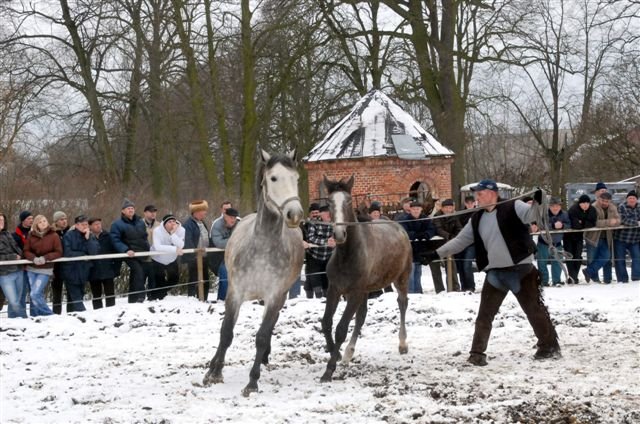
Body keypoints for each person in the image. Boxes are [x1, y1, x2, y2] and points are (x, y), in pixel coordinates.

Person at [422, 179, 560, 366]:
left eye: (480, 194)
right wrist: (436, 254)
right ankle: (477, 354)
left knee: (534, 311)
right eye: (476, 194)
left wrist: (539, 200)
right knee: (484, 315)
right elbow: (460, 241)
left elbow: (532, 215)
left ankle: (549, 346)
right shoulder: (476, 218)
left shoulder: (513, 206)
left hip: (521, 270)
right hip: (496, 274)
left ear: (492, 193)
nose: (477, 198)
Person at [110, 199, 152, 303]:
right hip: (128, 253)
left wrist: (147, 248)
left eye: (132, 208)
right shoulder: (117, 224)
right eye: (128, 208)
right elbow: (115, 240)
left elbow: (144, 237)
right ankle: (141, 296)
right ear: (123, 211)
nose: (131, 210)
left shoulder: (140, 222)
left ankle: (132, 300)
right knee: (138, 271)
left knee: (135, 275)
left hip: (141, 252)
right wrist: (126, 249)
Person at [23, 215, 63, 316]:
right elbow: (26, 251)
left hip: (45, 269)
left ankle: (49, 315)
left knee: (34, 294)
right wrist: (33, 258)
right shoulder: (31, 235)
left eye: (44, 221)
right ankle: (37, 316)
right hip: (32, 268)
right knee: (37, 294)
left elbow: (58, 252)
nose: (43, 223)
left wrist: (45, 258)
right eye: (40, 222)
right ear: (36, 225)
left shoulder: (54, 235)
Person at [62, 215, 99, 312]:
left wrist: (88, 239)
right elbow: (67, 253)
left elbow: (94, 252)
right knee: (76, 297)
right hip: (71, 270)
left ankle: (72, 315)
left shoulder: (90, 236)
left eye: (86, 224)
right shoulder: (69, 236)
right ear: (76, 225)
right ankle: (83, 314)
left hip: (84, 270)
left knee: (79, 295)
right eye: (82, 224)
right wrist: (83, 255)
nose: (85, 226)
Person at [582, 192, 620, 284]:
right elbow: (594, 222)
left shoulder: (613, 208)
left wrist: (615, 222)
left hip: (606, 237)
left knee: (606, 256)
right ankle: (595, 280)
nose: (604, 203)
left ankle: (589, 272)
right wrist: (609, 222)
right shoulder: (593, 207)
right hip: (593, 237)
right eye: (603, 200)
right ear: (599, 199)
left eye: (607, 201)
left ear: (610, 201)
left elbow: (618, 220)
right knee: (592, 258)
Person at [401, 201, 437, 294]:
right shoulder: (405, 220)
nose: (416, 211)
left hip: (421, 249)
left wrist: (426, 235)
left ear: (421, 209)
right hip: (409, 249)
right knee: (410, 272)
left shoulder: (425, 219)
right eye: (414, 209)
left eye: (418, 209)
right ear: (410, 210)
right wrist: (416, 235)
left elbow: (432, 229)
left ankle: (418, 292)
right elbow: (404, 232)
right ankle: (411, 293)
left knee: (418, 272)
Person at [536, 197, 571, 287]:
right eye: (553, 206)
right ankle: (544, 281)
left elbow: (569, 224)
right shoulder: (543, 214)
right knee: (542, 263)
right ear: (549, 206)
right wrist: (553, 225)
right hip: (543, 243)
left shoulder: (565, 214)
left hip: (557, 243)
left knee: (557, 263)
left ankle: (557, 280)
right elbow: (540, 225)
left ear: (560, 206)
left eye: (557, 206)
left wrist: (562, 225)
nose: (555, 208)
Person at [289, 203, 320, 299]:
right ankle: (294, 297)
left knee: (311, 276)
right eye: (313, 213)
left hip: (316, 253)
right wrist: (301, 242)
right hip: (297, 253)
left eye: (317, 212)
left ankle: (314, 297)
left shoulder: (323, 223)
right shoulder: (303, 224)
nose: (315, 215)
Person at [183, 200, 212, 300]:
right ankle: (192, 300)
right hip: (194, 258)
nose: (205, 212)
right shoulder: (188, 224)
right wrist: (194, 256)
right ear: (197, 212)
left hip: (204, 257)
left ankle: (203, 299)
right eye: (203, 210)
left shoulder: (202, 223)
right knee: (194, 280)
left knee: (205, 280)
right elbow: (188, 241)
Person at [564, 195, 597, 284]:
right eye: (583, 203)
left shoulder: (592, 210)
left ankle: (574, 276)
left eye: (587, 203)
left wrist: (582, 222)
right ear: (579, 203)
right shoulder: (573, 209)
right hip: (568, 237)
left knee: (578, 256)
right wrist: (584, 222)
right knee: (570, 256)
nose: (585, 205)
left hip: (579, 237)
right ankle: (572, 277)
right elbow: (575, 225)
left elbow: (593, 223)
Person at [151, 214, 185, 299]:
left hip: (172, 259)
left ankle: (159, 293)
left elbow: (181, 245)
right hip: (158, 259)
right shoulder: (157, 230)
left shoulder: (181, 230)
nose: (172, 224)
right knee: (159, 280)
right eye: (169, 222)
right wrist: (174, 249)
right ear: (164, 224)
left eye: (174, 221)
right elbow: (158, 247)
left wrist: (173, 234)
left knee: (174, 279)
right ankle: (156, 298)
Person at [0, 213, 27, 318]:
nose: (1, 222)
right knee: (14, 301)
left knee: (18, 299)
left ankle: (14, 320)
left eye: (2, 220)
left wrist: (21, 255)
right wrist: (12, 257)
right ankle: (24, 319)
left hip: (18, 270)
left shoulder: (7, 234)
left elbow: (16, 248)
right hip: (5, 273)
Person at [88, 218, 119, 309]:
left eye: (99, 224)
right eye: (95, 224)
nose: (98, 226)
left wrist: (115, 268)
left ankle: (112, 312)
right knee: (96, 295)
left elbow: (116, 251)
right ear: (90, 226)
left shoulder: (108, 236)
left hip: (108, 270)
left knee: (110, 294)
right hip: (93, 271)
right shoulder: (87, 237)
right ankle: (98, 313)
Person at [305, 205, 335, 298]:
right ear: (321, 214)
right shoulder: (314, 223)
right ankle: (317, 297)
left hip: (329, 255)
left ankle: (326, 297)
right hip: (315, 256)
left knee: (326, 277)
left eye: (330, 213)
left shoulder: (335, 222)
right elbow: (311, 238)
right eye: (327, 213)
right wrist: (326, 242)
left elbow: (341, 234)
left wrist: (335, 240)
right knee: (314, 278)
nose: (329, 215)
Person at [210, 207, 240, 301]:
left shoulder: (239, 224)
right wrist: (235, 240)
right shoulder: (217, 225)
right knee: (224, 274)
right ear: (225, 216)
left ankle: (233, 298)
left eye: (234, 218)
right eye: (231, 217)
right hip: (218, 256)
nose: (233, 220)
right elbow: (218, 243)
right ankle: (222, 299)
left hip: (234, 255)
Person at [434, 198, 463, 291]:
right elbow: (438, 229)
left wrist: (456, 236)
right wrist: (449, 236)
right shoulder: (437, 216)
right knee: (435, 268)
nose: (448, 210)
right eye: (446, 207)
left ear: (453, 208)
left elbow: (459, 228)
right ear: (442, 208)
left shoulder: (454, 216)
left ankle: (454, 287)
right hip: (436, 244)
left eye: (450, 208)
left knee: (451, 265)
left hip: (449, 243)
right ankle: (439, 290)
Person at [613, 190, 640, 283]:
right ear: (627, 199)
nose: (632, 200)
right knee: (620, 259)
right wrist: (637, 223)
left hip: (635, 239)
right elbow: (623, 220)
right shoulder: (621, 207)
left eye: (634, 198)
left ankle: (636, 277)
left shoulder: (639, 208)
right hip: (621, 238)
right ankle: (622, 279)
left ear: (636, 199)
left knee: (637, 258)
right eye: (630, 198)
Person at [50, 211, 72, 314]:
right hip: (56, 268)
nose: (64, 221)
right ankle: (56, 314)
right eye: (61, 219)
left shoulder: (71, 232)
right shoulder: (51, 233)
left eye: (65, 219)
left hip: (69, 267)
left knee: (71, 292)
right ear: (56, 221)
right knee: (56, 294)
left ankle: (71, 313)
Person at [455, 196, 477, 292]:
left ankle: (471, 286)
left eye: (471, 203)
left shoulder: (478, 213)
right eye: (468, 203)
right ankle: (464, 287)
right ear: (465, 203)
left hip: (473, 243)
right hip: (462, 242)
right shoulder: (460, 214)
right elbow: (458, 227)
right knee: (460, 265)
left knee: (467, 265)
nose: (470, 205)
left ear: (474, 203)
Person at [13, 210, 33, 308]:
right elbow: (14, 249)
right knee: (21, 292)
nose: (31, 220)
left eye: (32, 218)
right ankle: (20, 313)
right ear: (23, 220)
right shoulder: (15, 235)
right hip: (20, 268)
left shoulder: (35, 233)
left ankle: (36, 313)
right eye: (29, 219)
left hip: (33, 266)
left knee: (35, 292)